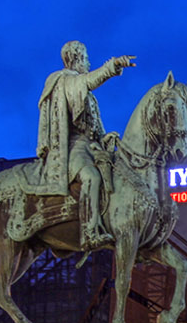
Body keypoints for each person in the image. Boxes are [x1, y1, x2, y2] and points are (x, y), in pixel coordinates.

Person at [32, 40, 135, 248]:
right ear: (76, 58)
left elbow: (94, 127)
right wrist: (112, 65)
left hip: (91, 146)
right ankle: (89, 231)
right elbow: (90, 80)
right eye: (86, 59)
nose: (88, 63)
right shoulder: (63, 80)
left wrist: (105, 137)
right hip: (73, 147)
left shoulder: (82, 91)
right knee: (91, 176)